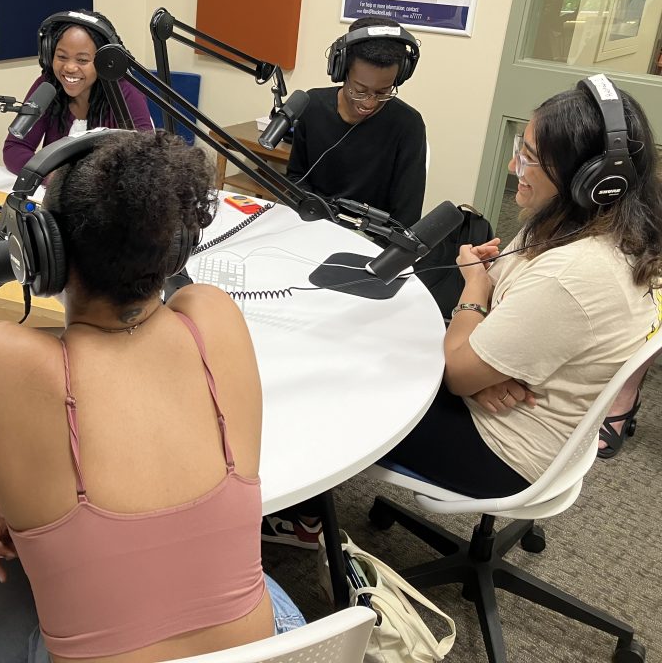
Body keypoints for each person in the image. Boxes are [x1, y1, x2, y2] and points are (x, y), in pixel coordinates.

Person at [0, 131, 304, 662]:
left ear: (40, 253)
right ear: (176, 249)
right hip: (268, 654)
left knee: (0, 587)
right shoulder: (215, 316)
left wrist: (17, 499)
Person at [264, 77, 662, 547]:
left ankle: (302, 518)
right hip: (536, 415)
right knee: (380, 345)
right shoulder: (593, 226)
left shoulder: (573, 272)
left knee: (332, 378)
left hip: (504, 448)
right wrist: (484, 357)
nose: (515, 166)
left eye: (531, 158)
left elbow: (458, 369)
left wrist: (473, 294)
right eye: (522, 148)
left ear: (589, 180)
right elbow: (500, 305)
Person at [286, 16, 427, 227]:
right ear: (341, 71)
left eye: (383, 92)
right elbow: (296, 177)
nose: (369, 103)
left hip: (371, 238)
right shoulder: (312, 106)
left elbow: (406, 216)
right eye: (360, 90)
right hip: (312, 225)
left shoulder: (408, 126)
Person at [2, 10, 154, 174]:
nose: (69, 67)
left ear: (104, 62)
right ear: (49, 55)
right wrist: (51, 177)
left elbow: (143, 163)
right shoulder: (48, 86)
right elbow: (15, 148)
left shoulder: (125, 94)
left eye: (82, 60)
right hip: (54, 196)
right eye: (61, 57)